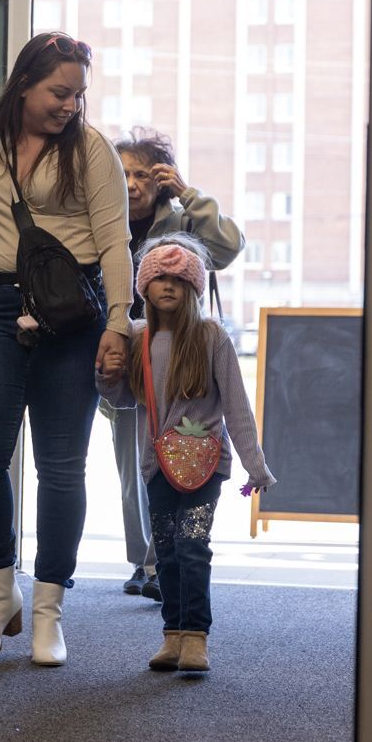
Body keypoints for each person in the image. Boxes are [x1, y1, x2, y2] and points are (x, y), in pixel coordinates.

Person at [0, 30, 132, 667]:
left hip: (73, 314)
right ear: (24, 84)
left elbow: (116, 242)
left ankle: (48, 611)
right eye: (58, 92)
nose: (70, 105)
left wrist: (119, 322)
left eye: (78, 94)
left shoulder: (91, 150)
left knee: (61, 466)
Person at [96, 233, 274, 672]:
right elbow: (121, 401)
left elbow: (236, 404)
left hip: (206, 465)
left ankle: (197, 637)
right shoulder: (137, 337)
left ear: (194, 288)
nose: (169, 285)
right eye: (160, 277)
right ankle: (172, 634)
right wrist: (105, 376)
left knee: (193, 545)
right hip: (156, 466)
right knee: (168, 553)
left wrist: (256, 466)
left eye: (179, 278)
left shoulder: (212, 337)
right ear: (144, 287)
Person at [105, 130, 244, 601]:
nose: (130, 183)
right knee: (132, 463)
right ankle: (143, 560)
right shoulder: (101, 220)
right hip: (123, 349)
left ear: (160, 180)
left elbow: (226, 249)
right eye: (122, 173)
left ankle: (161, 565)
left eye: (142, 173)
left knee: (175, 451)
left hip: (179, 355)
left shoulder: (182, 218)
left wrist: (187, 193)